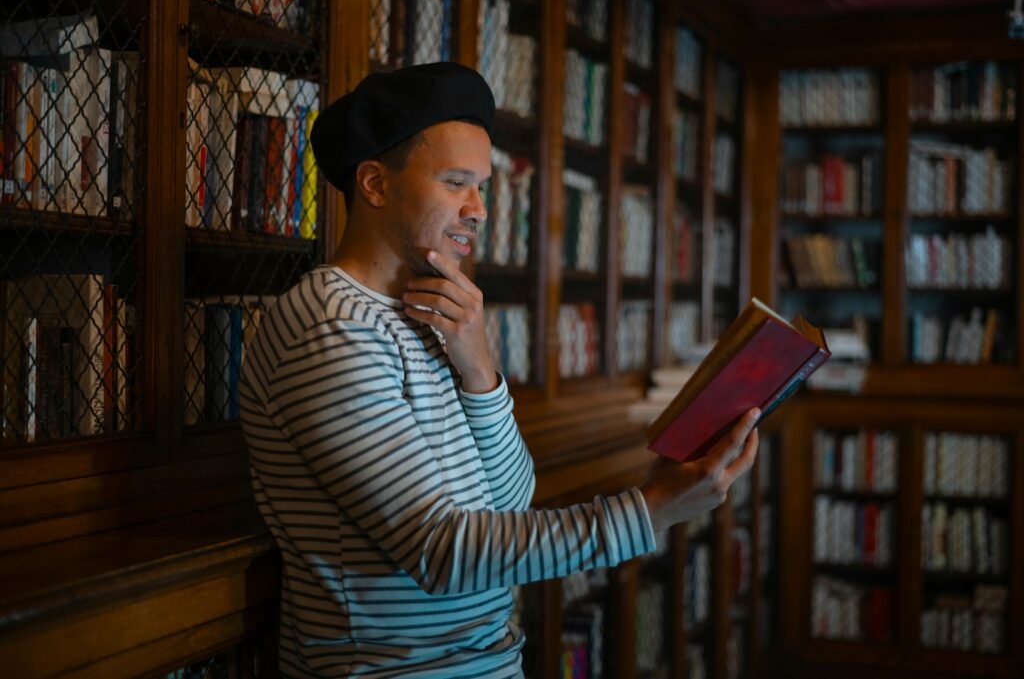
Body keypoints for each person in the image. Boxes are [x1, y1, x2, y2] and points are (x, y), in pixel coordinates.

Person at [238, 61, 759, 679]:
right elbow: (441, 551)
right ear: (375, 183)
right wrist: (650, 511)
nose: (479, 209)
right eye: (456, 182)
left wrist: (480, 368)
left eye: (481, 185)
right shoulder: (331, 326)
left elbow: (513, 501)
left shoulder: (435, 314)